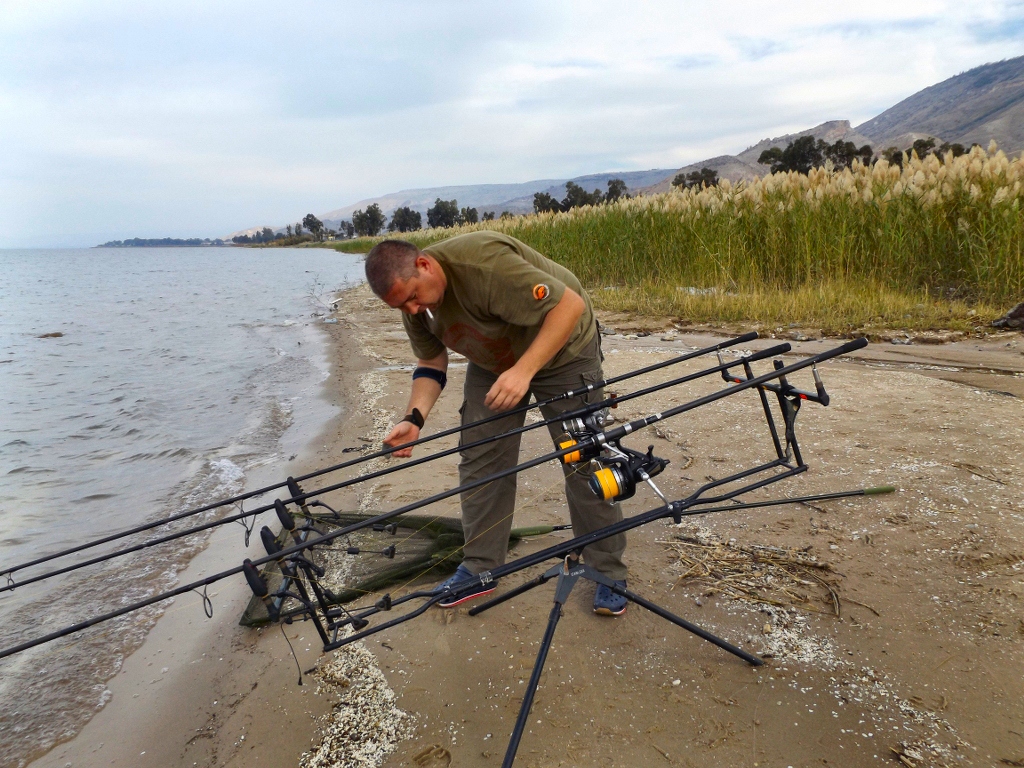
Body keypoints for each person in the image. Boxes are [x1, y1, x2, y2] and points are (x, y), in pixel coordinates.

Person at [364, 231, 628, 615]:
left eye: (412, 298)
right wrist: (414, 418)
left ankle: (607, 570)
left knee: (584, 457)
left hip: (565, 349)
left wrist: (523, 371)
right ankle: (481, 566)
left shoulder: (482, 264)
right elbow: (431, 363)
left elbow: (568, 307)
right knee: (480, 456)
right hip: (494, 360)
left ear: (424, 265)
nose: (411, 310)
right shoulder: (415, 305)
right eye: (400, 307)